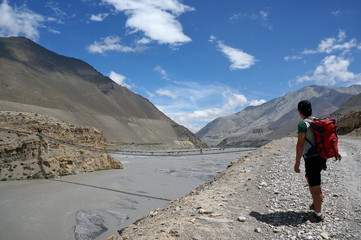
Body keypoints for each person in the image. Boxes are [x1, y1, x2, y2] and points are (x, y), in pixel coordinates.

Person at [294, 100, 341, 223]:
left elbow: (300, 144)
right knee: (310, 178)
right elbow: (330, 138)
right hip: (321, 156)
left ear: (299, 112)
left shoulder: (303, 125)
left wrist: (297, 162)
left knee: (315, 186)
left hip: (311, 158)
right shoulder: (318, 121)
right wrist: (336, 152)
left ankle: (318, 214)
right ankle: (317, 200)